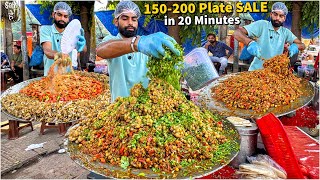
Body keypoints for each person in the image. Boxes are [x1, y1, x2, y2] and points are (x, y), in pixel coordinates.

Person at [96, 1, 180, 102]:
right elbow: (100, 51)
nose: (130, 23)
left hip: (144, 111)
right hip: (118, 110)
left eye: (134, 19)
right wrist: (135, 44)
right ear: (116, 21)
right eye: (125, 18)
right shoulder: (112, 41)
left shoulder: (148, 45)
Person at [233, 2, 305, 71]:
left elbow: (302, 45)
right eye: (275, 14)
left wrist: (295, 46)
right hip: (256, 71)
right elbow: (236, 33)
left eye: (281, 16)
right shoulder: (262, 25)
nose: (277, 18)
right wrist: (249, 43)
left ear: (284, 18)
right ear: (271, 14)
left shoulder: (285, 32)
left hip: (274, 73)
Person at [40, 2, 86, 76]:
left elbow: (83, 49)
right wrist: (61, 55)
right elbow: (47, 51)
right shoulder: (46, 30)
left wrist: (82, 45)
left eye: (65, 16)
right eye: (59, 15)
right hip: (50, 77)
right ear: (53, 14)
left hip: (68, 77)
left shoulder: (72, 33)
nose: (62, 18)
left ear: (68, 18)